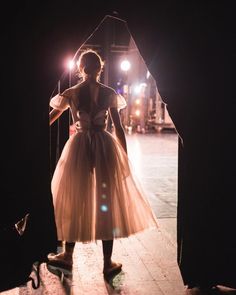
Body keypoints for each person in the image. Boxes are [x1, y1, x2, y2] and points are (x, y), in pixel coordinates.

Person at [48, 49, 158, 277]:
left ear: (80, 68)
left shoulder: (72, 93)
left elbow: (49, 119)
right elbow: (118, 128)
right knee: (106, 200)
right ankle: (107, 263)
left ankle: (68, 256)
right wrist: (124, 158)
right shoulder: (109, 93)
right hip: (105, 148)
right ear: (100, 68)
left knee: (75, 197)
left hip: (78, 147)